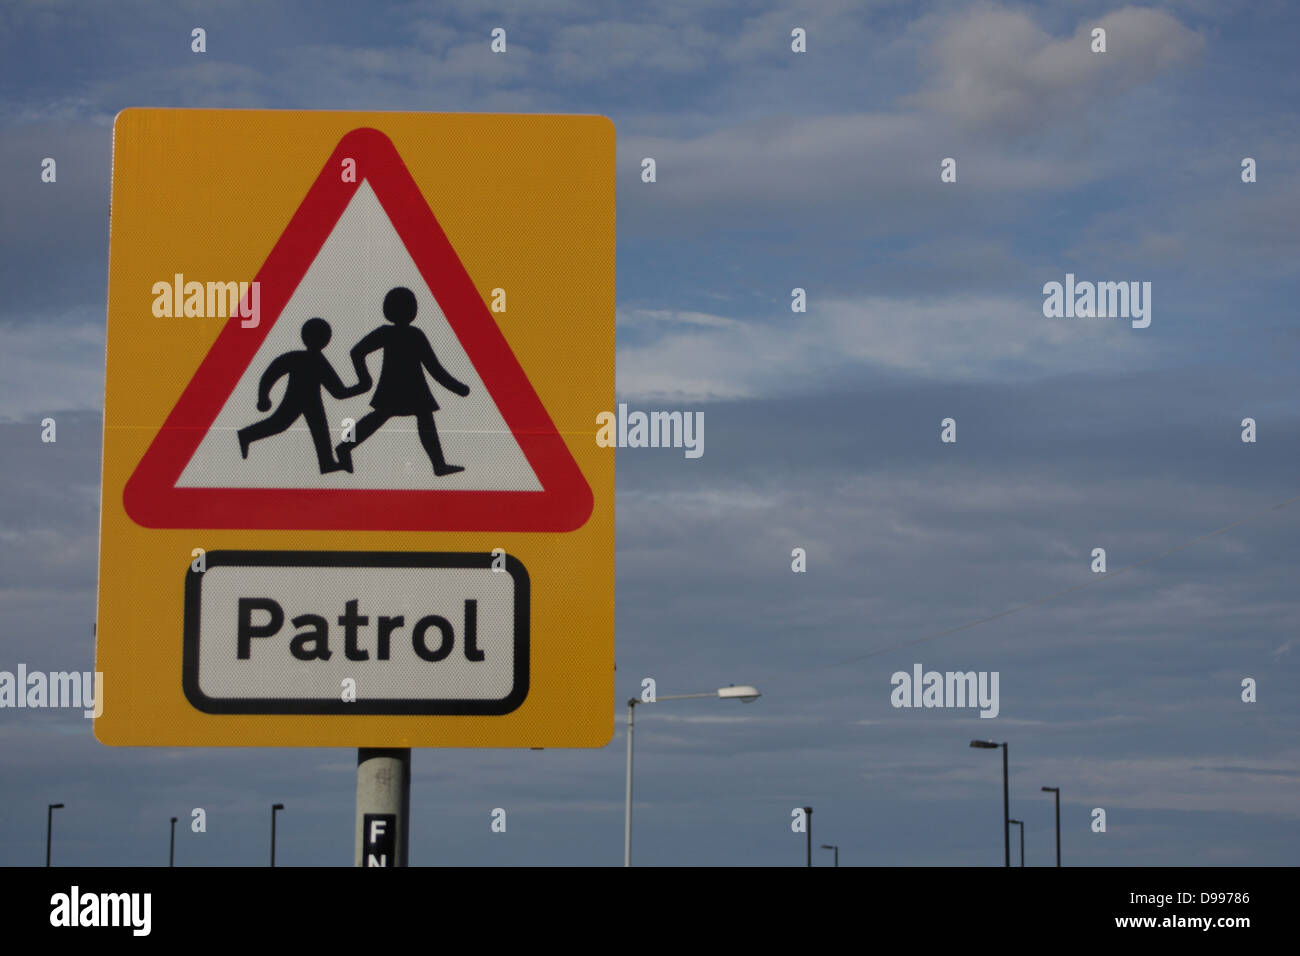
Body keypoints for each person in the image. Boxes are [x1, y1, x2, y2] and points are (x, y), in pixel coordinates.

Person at [335, 286, 470, 475]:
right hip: (407, 388)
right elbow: (434, 368)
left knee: (389, 417)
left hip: (403, 388)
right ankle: (438, 464)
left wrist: (364, 379)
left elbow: (357, 352)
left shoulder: (397, 333)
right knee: (397, 418)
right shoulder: (412, 334)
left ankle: (345, 447)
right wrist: (458, 388)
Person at [237, 318, 367, 474]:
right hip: (297, 400)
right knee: (280, 424)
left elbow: (337, 391)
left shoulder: (311, 359)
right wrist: (263, 397)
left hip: (311, 401)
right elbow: (273, 372)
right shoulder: (307, 359)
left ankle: (326, 462)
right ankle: (246, 435)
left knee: (318, 430)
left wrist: (360, 388)